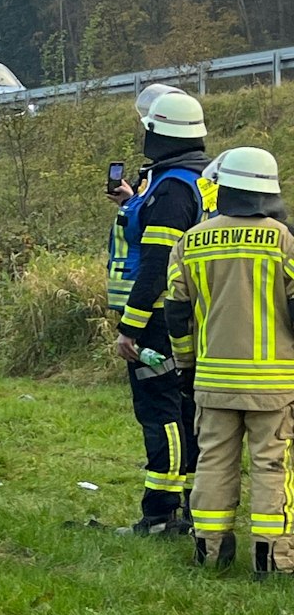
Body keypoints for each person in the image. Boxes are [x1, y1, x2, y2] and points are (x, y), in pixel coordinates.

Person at [163, 147, 294, 577]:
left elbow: (177, 314)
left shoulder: (191, 241)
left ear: (225, 188)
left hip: (213, 378)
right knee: (272, 465)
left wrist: (186, 366)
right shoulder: (284, 240)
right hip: (274, 383)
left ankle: (211, 551)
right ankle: (273, 559)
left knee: (214, 461)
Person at [109, 89, 212, 536]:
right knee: (184, 409)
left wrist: (129, 328)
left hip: (154, 322)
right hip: (182, 318)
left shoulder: (170, 190)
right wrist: (132, 201)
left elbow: (155, 266)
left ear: (158, 134)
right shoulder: (191, 179)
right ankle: (189, 508)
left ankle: (160, 513)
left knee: (161, 412)